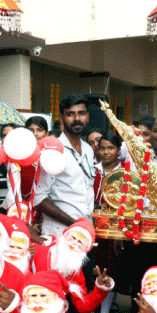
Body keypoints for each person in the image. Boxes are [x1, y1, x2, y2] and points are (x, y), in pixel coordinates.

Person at [32, 218, 114, 313]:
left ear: (85, 251)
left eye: (80, 242)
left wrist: (100, 288)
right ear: (64, 236)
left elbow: (84, 306)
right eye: (73, 237)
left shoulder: (76, 274)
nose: (74, 244)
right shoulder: (38, 251)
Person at [34, 95, 96, 239]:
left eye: (81, 113)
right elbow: (39, 197)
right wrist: (73, 223)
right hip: (60, 232)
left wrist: (84, 226)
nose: (77, 118)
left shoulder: (88, 149)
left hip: (85, 230)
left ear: (87, 117)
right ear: (62, 119)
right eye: (70, 114)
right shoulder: (53, 150)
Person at [93, 133, 127, 313]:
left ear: (118, 150)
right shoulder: (92, 169)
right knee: (93, 266)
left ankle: (105, 309)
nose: (106, 152)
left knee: (110, 267)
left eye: (110, 148)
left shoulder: (125, 171)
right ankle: (90, 306)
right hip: (92, 223)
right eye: (102, 148)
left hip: (115, 225)